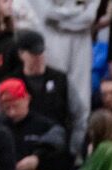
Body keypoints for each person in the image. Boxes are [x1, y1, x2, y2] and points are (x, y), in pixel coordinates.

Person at [18, 0, 96, 147]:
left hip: (82, 38)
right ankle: (48, 148)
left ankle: (78, 150)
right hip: (52, 36)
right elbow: (47, 13)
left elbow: (90, 17)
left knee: (82, 98)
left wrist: (63, 18)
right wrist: (77, 11)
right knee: (53, 95)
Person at [13, 30, 72, 138]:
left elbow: (75, 112)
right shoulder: (13, 81)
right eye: (33, 54)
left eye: (41, 53)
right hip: (23, 141)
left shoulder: (59, 79)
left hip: (55, 143)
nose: (38, 57)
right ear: (21, 54)